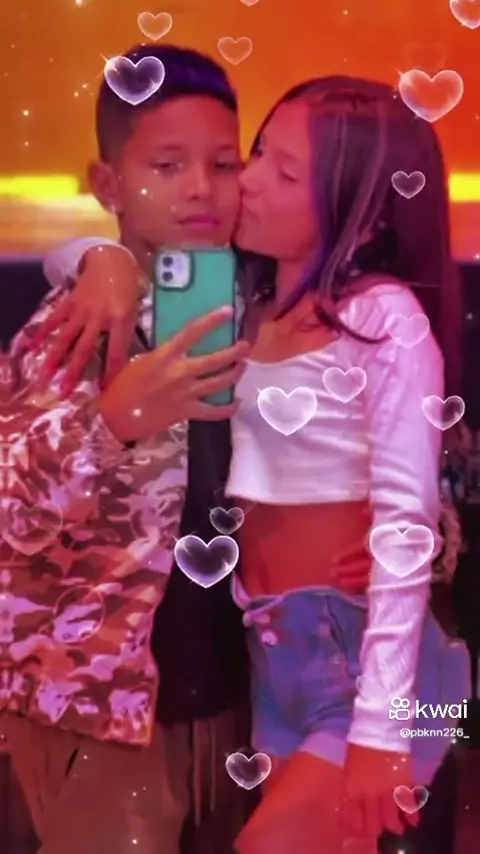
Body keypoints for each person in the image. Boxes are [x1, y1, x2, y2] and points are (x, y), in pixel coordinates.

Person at [37, 72, 471, 854]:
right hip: (272, 657)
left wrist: (385, 729)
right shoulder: (238, 293)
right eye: (258, 154)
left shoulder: (381, 317)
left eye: (281, 170)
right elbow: (78, 255)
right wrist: (100, 258)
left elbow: (406, 518)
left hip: (370, 666)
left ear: (359, 205)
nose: (246, 182)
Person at [2, 46, 373, 854]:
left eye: (223, 163)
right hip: (107, 717)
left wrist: (391, 533)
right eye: (167, 166)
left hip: (248, 698)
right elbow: (12, 518)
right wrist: (112, 422)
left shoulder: (272, 308)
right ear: (109, 185)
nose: (202, 189)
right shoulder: (76, 328)